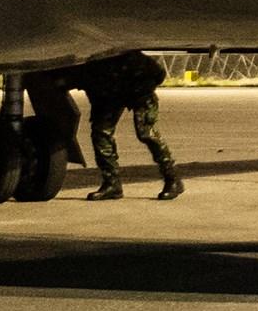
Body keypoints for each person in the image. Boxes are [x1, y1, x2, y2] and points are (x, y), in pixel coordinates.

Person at [59, 51, 184, 201]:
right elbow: (67, 82)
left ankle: (172, 179)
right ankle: (112, 184)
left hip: (139, 95)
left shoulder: (126, 57)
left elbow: (158, 73)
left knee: (147, 133)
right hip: (109, 97)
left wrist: (142, 89)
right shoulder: (84, 67)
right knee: (101, 134)